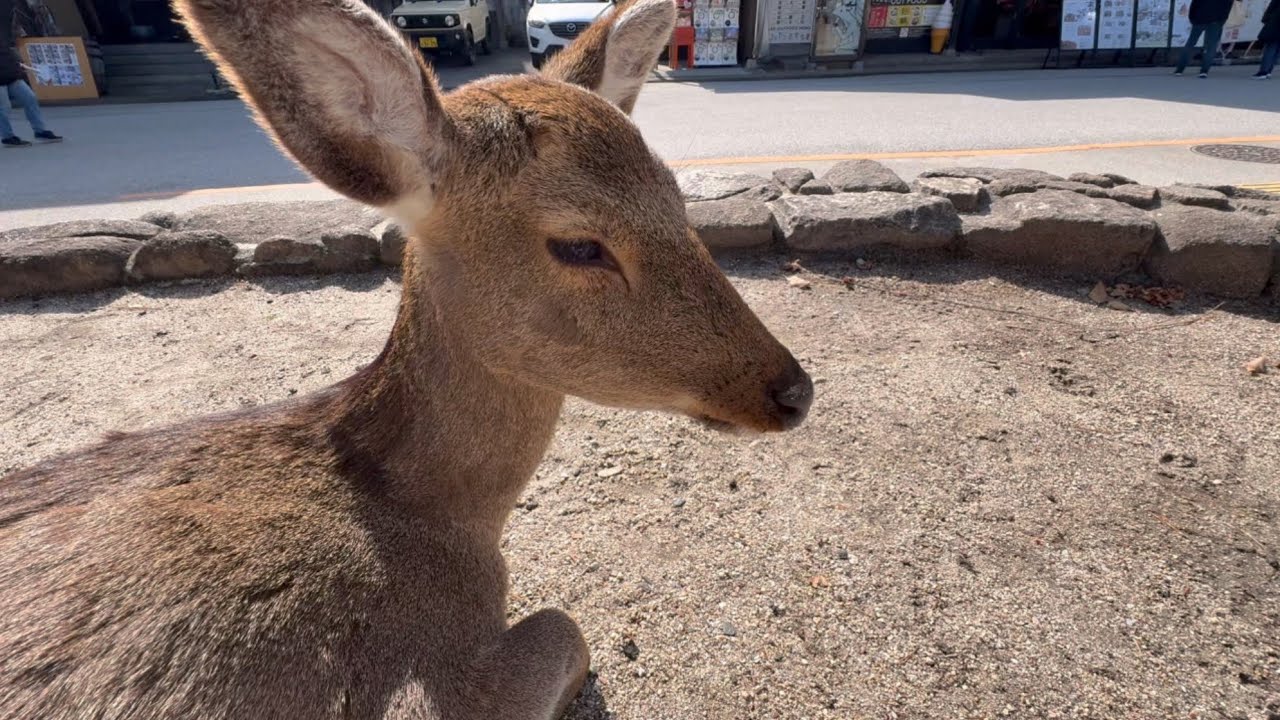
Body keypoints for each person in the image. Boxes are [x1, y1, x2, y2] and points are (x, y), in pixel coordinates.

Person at [1, 0, 62, 148]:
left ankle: (40, 130)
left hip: (9, 71)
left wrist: (16, 63)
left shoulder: (4, 28)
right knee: (3, 107)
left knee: (30, 98)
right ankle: (8, 136)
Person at [1174, 0, 1240, 77]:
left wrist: (1192, 18)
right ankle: (1204, 71)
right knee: (1211, 47)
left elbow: (1194, 4)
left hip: (1200, 18)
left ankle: (1179, 70)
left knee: (1191, 43)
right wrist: (1222, 20)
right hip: (1216, 20)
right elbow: (1228, 6)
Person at [1255, 0, 1280, 79]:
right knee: (1277, 49)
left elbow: (1272, 7)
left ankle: (1263, 71)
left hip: (1276, 22)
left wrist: (1266, 18)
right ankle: (1268, 71)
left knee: (1271, 47)